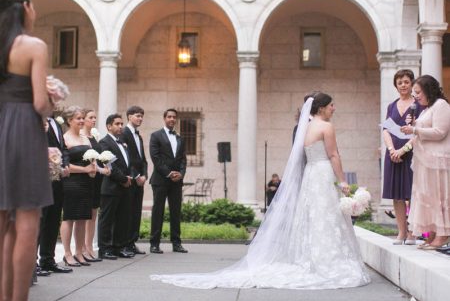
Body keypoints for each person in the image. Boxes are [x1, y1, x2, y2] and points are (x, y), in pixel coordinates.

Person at [151, 93, 370, 289]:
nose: (334, 108)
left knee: (313, 217)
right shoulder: (326, 127)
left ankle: (311, 259)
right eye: (332, 105)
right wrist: (343, 181)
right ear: (322, 108)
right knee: (327, 216)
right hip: (321, 172)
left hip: (311, 175)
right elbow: (333, 155)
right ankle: (328, 261)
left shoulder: (305, 128)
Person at [0, 0, 53, 301]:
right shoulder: (33, 46)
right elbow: (39, 104)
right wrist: (53, 97)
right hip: (21, 129)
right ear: (26, 9)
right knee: (27, 222)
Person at [400, 75, 450, 251]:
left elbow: (440, 132)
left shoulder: (441, 105)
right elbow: (421, 132)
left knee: (439, 197)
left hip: (438, 161)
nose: (416, 96)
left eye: (418, 92)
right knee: (428, 198)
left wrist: (415, 129)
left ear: (429, 90)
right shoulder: (425, 109)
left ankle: (443, 234)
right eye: (415, 93)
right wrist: (413, 126)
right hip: (424, 161)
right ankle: (435, 234)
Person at [381, 69, 423, 245]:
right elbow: (385, 129)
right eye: (400, 82)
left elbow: (419, 133)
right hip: (393, 154)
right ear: (396, 86)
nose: (403, 85)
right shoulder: (391, 106)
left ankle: (413, 232)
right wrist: (392, 149)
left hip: (411, 152)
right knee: (396, 195)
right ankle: (401, 232)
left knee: (412, 193)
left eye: (406, 82)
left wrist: (403, 151)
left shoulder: (419, 105)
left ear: (412, 83)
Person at [37, 111, 73, 275]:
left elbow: (63, 148)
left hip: (58, 179)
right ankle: (32, 263)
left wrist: (65, 164)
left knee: (53, 219)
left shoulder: (57, 124)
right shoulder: (37, 119)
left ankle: (48, 260)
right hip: (41, 178)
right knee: (40, 220)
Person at [60, 106, 96, 267]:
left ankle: (79, 252)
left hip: (86, 182)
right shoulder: (65, 138)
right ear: (69, 121)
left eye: (83, 118)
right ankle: (67, 253)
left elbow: (92, 159)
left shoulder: (85, 138)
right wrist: (85, 169)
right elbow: (65, 165)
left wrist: (93, 168)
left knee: (82, 218)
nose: (82, 121)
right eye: (78, 118)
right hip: (71, 183)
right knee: (69, 217)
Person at [149, 108, 187, 254]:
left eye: (174, 117)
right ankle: (154, 244)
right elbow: (155, 158)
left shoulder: (180, 138)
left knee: (175, 212)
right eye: (169, 117)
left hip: (176, 181)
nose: (172, 119)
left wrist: (181, 174)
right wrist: (169, 173)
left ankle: (176, 243)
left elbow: (183, 159)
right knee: (158, 212)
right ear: (164, 118)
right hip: (160, 180)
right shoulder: (156, 136)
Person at [98, 114, 134, 260]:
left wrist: (129, 176)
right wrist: (123, 179)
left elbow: (127, 163)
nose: (120, 126)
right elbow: (110, 165)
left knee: (122, 218)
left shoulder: (123, 142)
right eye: (117, 124)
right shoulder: (104, 143)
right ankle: (105, 248)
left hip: (125, 186)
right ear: (109, 126)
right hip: (111, 187)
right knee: (107, 219)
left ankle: (119, 247)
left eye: (121, 124)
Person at [81, 108, 109, 262]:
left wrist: (105, 167)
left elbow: (97, 158)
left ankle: (90, 246)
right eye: (90, 117)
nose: (93, 120)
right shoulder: (81, 137)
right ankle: (83, 248)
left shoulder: (94, 137)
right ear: (83, 119)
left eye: (95, 117)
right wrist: (100, 170)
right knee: (85, 214)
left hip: (97, 179)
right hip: (86, 179)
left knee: (93, 214)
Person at [121, 106, 148, 255]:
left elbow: (143, 159)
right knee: (128, 212)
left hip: (140, 180)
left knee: (136, 211)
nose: (140, 118)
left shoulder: (139, 136)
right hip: (131, 179)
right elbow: (127, 158)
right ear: (129, 116)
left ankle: (132, 242)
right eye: (138, 115)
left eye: (142, 116)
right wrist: (136, 176)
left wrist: (144, 175)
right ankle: (125, 244)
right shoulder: (124, 133)